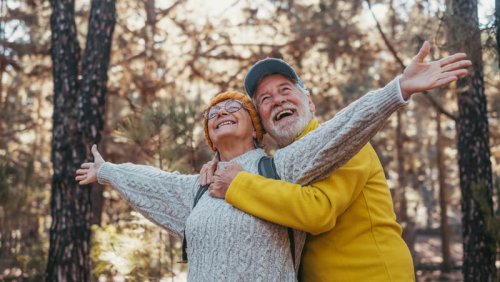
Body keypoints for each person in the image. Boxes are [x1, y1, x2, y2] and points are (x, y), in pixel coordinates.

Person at [75, 80, 413, 281]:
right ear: (209, 135)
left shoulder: (280, 166)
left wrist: (397, 90)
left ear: (256, 128)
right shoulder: (198, 188)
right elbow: (154, 182)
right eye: (212, 114)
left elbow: (341, 130)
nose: (220, 113)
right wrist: (107, 172)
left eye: (233, 107)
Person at [201, 41, 471, 281]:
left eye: (285, 89)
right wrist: (218, 165)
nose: (278, 99)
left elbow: (319, 211)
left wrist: (237, 184)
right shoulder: (273, 168)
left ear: (310, 101)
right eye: (265, 99)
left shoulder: (345, 141)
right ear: (261, 122)